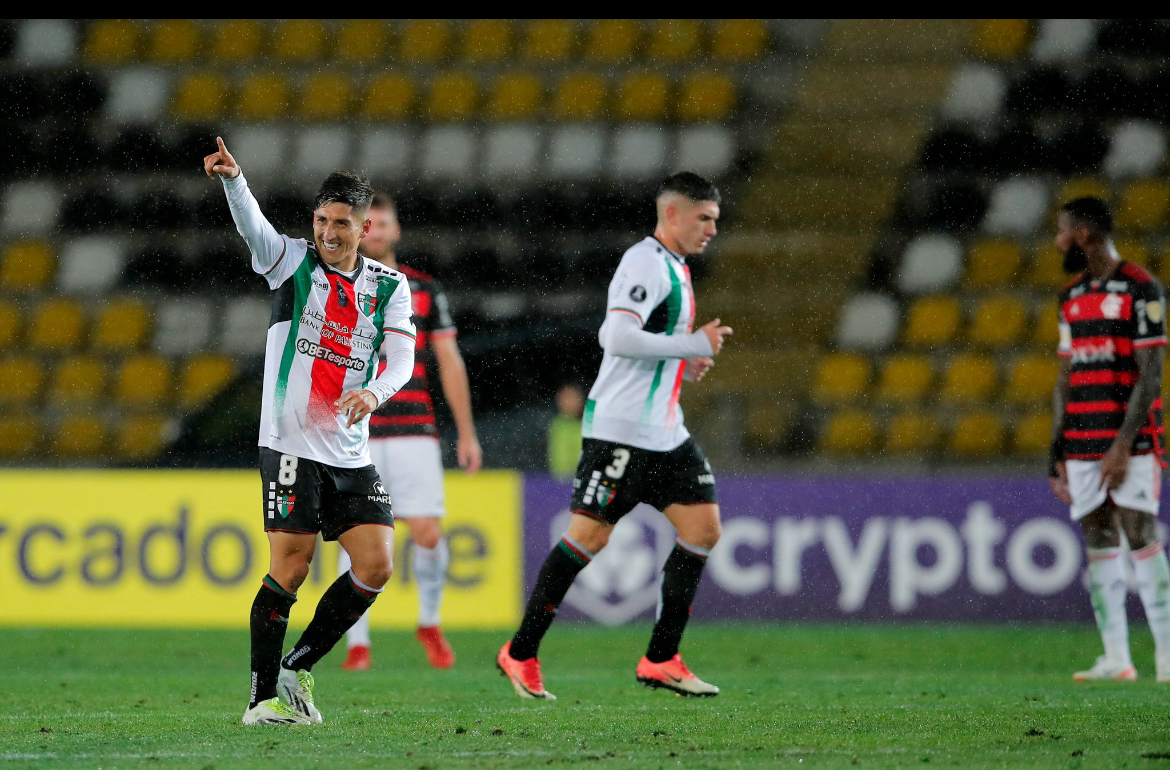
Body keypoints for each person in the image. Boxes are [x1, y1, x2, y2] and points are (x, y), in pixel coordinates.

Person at [204, 138, 417, 725]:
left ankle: (297, 667)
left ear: (364, 226)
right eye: (321, 220)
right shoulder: (293, 263)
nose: (328, 232)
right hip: (291, 444)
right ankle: (259, 700)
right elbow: (255, 231)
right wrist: (234, 181)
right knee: (290, 568)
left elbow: (401, 359)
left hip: (350, 451)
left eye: (341, 223)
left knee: (376, 565)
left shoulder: (388, 288)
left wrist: (372, 392)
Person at [496, 172, 732, 699]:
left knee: (703, 528)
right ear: (672, 214)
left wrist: (684, 360)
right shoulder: (645, 261)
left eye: (715, 219)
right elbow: (617, 335)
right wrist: (691, 343)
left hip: (665, 431)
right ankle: (521, 650)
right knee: (589, 538)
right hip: (622, 431)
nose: (712, 228)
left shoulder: (677, 267)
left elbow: (655, 343)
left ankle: (662, 658)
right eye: (704, 218)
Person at [336, 193, 482, 671]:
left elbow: (450, 361)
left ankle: (429, 622)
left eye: (384, 223)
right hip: (356, 429)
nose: (376, 231)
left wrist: (466, 431)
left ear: (395, 231)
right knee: (358, 537)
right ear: (358, 231)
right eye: (368, 224)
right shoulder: (335, 286)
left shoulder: (423, 289)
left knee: (427, 531)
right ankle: (357, 643)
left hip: (415, 428)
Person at [1048, 196, 1170, 682]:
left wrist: (1122, 443)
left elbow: (1153, 373)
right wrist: (1055, 450)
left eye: (1061, 232)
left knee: (1141, 534)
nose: (1056, 241)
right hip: (1081, 440)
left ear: (1083, 234)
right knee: (1098, 539)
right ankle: (1117, 658)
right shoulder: (1070, 296)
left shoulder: (1142, 288)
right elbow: (1065, 377)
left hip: (1132, 442)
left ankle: (1166, 657)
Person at [547, 383, 584, 479]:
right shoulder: (558, 424)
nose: (570, 403)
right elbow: (559, 454)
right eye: (567, 399)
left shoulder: (586, 422)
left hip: (582, 474)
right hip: (563, 477)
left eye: (573, 398)